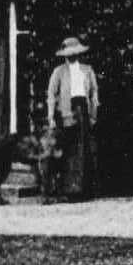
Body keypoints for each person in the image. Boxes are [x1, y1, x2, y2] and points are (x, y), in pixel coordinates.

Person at [44, 38, 98, 202]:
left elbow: (94, 93)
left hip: (83, 110)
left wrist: (93, 114)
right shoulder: (59, 71)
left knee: (84, 150)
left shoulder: (87, 70)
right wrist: (51, 115)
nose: (72, 56)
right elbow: (51, 95)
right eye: (69, 54)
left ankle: (84, 190)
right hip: (66, 112)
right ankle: (69, 190)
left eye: (74, 53)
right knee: (69, 151)